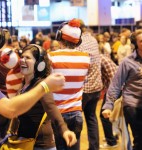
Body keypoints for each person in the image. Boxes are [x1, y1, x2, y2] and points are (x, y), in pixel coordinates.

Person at [0, 25, 77, 150]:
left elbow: (51, 108)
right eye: (22, 57)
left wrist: (64, 130)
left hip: (41, 145)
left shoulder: (39, 84)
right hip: (26, 143)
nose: (22, 61)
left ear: (40, 64)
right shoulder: (23, 84)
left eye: (28, 58)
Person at [48, 18, 90, 150]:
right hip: (77, 113)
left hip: (58, 115)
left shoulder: (51, 57)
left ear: (59, 37)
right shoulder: (86, 58)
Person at [76, 19, 118, 150]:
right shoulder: (92, 39)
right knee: (91, 118)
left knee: (76, 121)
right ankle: (94, 147)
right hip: (96, 89)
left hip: (84, 89)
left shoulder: (77, 41)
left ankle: (74, 147)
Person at [102, 29, 142, 150]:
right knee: (140, 140)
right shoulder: (127, 62)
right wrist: (108, 105)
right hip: (133, 105)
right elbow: (116, 84)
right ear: (135, 44)